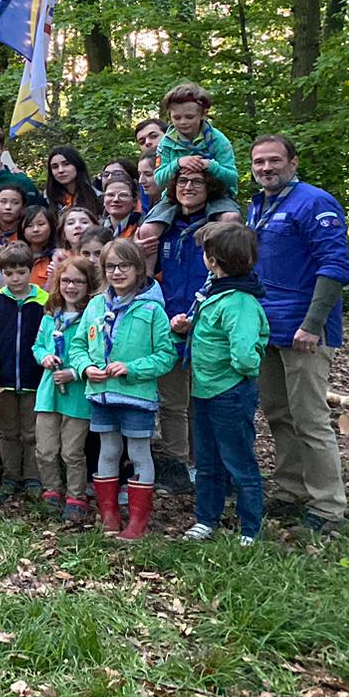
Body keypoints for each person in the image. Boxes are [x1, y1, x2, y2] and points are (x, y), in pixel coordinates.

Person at [246, 134, 349, 536]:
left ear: (293, 162)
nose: (266, 168)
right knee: (278, 413)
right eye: (259, 162)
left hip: (305, 330)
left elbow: (334, 266)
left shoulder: (314, 202)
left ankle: (327, 505)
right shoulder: (259, 205)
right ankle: (292, 490)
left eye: (274, 161)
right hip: (268, 328)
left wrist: (312, 324)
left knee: (310, 418)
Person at [67, 238, 177, 540]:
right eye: (111, 266)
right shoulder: (94, 305)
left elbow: (166, 355)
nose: (117, 272)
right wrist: (85, 367)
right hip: (101, 394)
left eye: (124, 265)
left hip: (136, 396)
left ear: (138, 268)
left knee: (139, 451)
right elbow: (78, 346)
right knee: (109, 449)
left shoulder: (152, 309)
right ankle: (110, 514)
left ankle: (138, 521)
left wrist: (132, 368)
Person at [170, 222, 269, 545]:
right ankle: (206, 519)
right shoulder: (215, 291)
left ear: (213, 259)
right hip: (204, 389)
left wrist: (244, 370)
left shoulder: (239, 301)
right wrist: (186, 328)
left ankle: (250, 528)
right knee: (208, 461)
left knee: (239, 460)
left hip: (231, 392)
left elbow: (244, 352)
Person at [138, 168, 222, 496]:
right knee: (172, 401)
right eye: (182, 182)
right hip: (169, 323)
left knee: (205, 399)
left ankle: (207, 465)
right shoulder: (166, 227)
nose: (188, 187)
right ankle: (175, 466)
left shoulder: (219, 229)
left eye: (196, 182)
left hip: (209, 327)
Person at [0, 242, 49, 498]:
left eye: (21, 272)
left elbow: (49, 339)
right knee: (8, 432)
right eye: (9, 273)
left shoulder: (43, 303)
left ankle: (32, 476)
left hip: (34, 380)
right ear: (2, 274)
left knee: (31, 432)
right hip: (4, 381)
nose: (15, 278)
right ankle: (10, 476)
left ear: (31, 270)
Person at [33, 256, 95, 523]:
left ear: (88, 284)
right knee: (45, 448)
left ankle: (75, 496)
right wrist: (45, 356)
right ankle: (51, 490)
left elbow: (98, 353)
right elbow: (38, 346)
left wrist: (74, 372)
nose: (71, 286)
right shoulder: (50, 317)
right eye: (66, 280)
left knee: (72, 451)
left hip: (77, 394)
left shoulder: (91, 318)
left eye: (78, 281)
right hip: (48, 393)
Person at [145, 83, 239, 231]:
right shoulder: (167, 142)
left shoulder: (218, 140)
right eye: (177, 117)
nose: (183, 122)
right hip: (174, 198)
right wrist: (178, 163)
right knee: (147, 230)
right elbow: (159, 179)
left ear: (203, 114)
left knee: (230, 219)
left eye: (189, 117)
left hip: (216, 196)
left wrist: (210, 166)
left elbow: (232, 178)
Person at [44, 146, 101, 218]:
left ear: (77, 165)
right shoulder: (45, 199)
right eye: (55, 167)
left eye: (66, 164)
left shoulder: (96, 196)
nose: (60, 170)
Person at [20, 205, 56, 286]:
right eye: (29, 226)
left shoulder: (58, 257)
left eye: (41, 224)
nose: (35, 229)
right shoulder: (16, 255)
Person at [100, 173, 141, 239]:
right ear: (104, 200)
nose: (116, 199)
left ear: (134, 202)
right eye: (110, 195)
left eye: (123, 195)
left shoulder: (142, 227)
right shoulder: (95, 228)